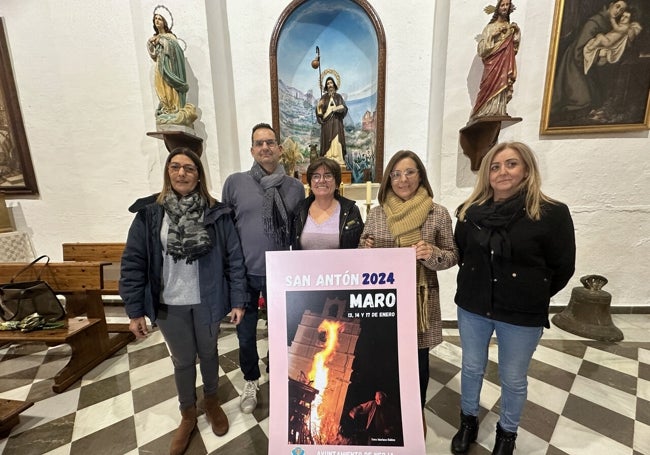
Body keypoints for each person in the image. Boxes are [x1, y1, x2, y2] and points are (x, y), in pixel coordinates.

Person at [119, 147, 249, 455]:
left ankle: (212, 401)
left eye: (189, 168)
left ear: (198, 175)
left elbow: (234, 259)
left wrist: (238, 300)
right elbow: (134, 261)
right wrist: (134, 310)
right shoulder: (151, 213)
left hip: (207, 300)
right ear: (167, 172)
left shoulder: (216, 213)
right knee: (182, 360)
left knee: (208, 352)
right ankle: (188, 413)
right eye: (175, 167)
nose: (181, 173)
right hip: (168, 303)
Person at [451, 142, 576, 455]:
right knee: (471, 368)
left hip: (521, 312)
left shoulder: (550, 214)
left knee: (513, 378)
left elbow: (563, 266)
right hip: (475, 306)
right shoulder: (470, 213)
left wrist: (531, 293)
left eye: (511, 164)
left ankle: (507, 434)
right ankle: (468, 421)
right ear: (487, 175)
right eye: (495, 166)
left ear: (526, 170)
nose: (502, 172)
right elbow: (463, 252)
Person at [358, 150, 458, 431]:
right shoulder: (377, 214)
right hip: (383, 299)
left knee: (418, 361)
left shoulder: (437, 213)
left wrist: (432, 252)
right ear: (389, 178)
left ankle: (416, 412)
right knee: (383, 358)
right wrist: (363, 249)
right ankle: (387, 414)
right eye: (396, 174)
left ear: (420, 176)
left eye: (409, 172)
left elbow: (452, 255)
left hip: (419, 300)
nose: (403, 179)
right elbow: (360, 251)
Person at [222, 123, 305, 414]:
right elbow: (226, 231)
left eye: (270, 142)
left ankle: (281, 375)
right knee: (245, 333)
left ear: (280, 149)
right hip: (244, 274)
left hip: (281, 274)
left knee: (284, 331)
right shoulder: (235, 182)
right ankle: (251, 379)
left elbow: (300, 231)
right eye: (259, 143)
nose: (265, 147)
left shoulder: (295, 187)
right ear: (252, 149)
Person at [550, 1, 628, 122]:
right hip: (574, 65)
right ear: (611, 4)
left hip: (588, 66)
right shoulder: (594, 22)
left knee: (597, 99)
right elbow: (579, 50)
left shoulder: (610, 24)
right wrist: (597, 57)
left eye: (622, 10)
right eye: (617, 7)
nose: (618, 11)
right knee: (583, 100)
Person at [291, 157, 363, 250]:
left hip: (343, 264)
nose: (321, 180)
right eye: (316, 176)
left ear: (337, 183)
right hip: (303, 264)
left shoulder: (351, 211)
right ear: (310, 184)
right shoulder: (299, 210)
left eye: (328, 176)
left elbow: (360, 245)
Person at [146, 6, 197, 126]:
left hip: (170, 68)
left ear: (164, 22)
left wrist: (162, 42)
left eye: (160, 19)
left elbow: (176, 51)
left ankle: (174, 108)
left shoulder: (170, 37)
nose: (157, 21)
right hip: (160, 68)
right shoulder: (155, 38)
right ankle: (166, 109)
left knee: (170, 88)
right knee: (161, 87)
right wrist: (150, 44)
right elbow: (154, 55)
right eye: (155, 19)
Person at [470, 0, 520, 120]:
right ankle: (483, 111)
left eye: (507, 5)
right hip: (492, 64)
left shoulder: (510, 27)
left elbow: (514, 48)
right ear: (497, 8)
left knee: (502, 83)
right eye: (502, 5)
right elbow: (481, 49)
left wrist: (516, 32)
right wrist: (493, 35)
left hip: (505, 63)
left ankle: (499, 109)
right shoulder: (489, 28)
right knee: (488, 85)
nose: (505, 7)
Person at [583, 10, 642, 74]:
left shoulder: (625, 27)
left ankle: (591, 48)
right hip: (607, 43)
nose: (623, 18)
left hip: (608, 43)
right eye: (623, 16)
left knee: (600, 36)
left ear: (630, 21)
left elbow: (616, 28)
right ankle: (592, 47)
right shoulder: (621, 26)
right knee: (599, 36)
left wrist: (612, 19)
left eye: (626, 17)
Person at [316, 76, 348, 163]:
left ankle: (338, 159)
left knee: (336, 140)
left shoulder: (338, 97)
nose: (330, 85)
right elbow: (319, 112)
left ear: (334, 84)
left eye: (331, 83)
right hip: (327, 123)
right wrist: (319, 106)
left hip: (337, 122)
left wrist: (338, 108)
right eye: (328, 84)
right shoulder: (323, 98)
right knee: (327, 140)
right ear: (326, 86)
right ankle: (328, 158)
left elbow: (344, 108)